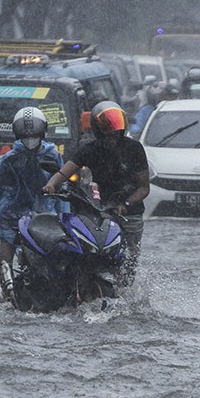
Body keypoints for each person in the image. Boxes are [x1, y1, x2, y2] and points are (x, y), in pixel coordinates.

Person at [43, 101, 150, 286]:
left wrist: (125, 205)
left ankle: (127, 292)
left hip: (129, 214)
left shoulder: (134, 149)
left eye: (115, 129)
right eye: (107, 130)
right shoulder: (89, 150)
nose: (112, 135)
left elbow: (144, 187)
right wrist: (51, 185)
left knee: (128, 262)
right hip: (100, 211)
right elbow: (64, 171)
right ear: (98, 130)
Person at [0, 107, 67, 301]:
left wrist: (65, 219)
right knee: (5, 262)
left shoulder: (53, 157)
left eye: (34, 135)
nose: (30, 140)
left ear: (43, 133)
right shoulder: (10, 160)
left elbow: (63, 191)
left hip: (44, 217)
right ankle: (6, 295)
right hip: (12, 216)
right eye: (26, 136)